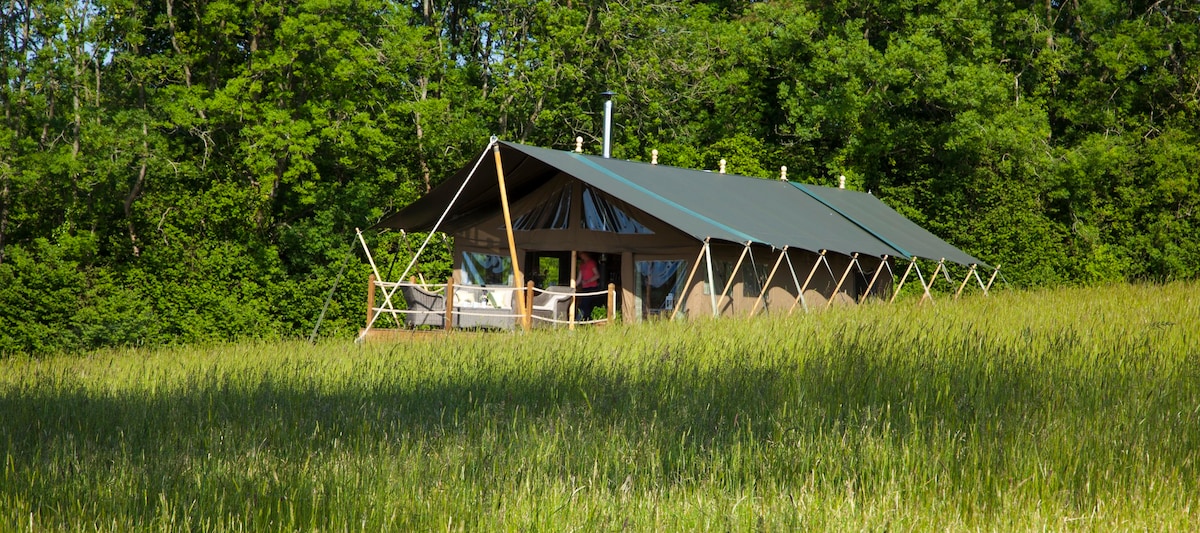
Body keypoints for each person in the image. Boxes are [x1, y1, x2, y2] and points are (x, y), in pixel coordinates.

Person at [577, 251, 601, 320]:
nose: (580, 256)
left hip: (592, 287)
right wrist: (573, 285)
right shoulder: (582, 265)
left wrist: (588, 281)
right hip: (585, 288)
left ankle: (579, 320)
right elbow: (579, 279)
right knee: (585, 305)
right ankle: (585, 321)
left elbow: (597, 275)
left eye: (581, 254)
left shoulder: (591, 263)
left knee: (584, 305)